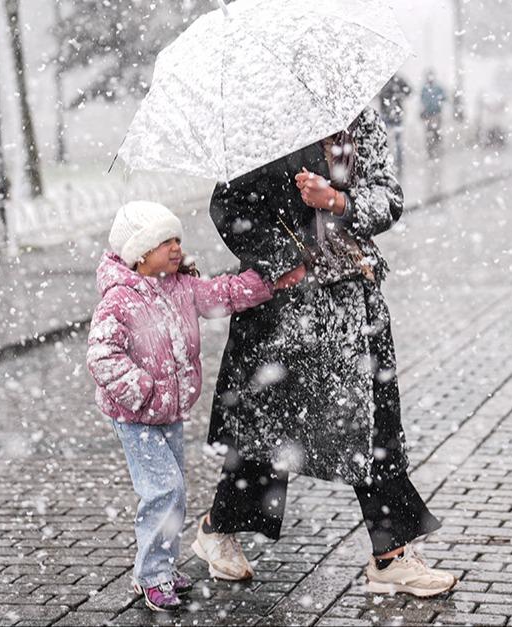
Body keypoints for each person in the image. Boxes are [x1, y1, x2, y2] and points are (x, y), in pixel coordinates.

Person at [192, 107, 458, 597]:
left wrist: (337, 200)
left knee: (375, 425)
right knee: (269, 427)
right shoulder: (265, 124)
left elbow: (388, 197)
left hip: (354, 297)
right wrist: (282, 261)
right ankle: (218, 528)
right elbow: (228, 208)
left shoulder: (363, 124)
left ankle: (392, 555)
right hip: (287, 308)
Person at [86, 201, 275, 612]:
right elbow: (102, 354)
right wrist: (143, 390)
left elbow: (222, 294)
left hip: (168, 414)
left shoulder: (180, 288)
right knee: (164, 490)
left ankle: (158, 568)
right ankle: (153, 574)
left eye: (177, 239)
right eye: (163, 241)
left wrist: (268, 281)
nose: (175, 247)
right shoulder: (120, 300)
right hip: (137, 417)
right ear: (139, 252)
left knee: (173, 491)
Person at [378, 73, 411, 178]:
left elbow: (409, 91)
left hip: (395, 116)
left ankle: (397, 161)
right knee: (386, 140)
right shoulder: (384, 81)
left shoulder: (397, 80)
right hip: (388, 115)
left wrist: (400, 94)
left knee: (395, 141)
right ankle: (388, 161)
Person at [419, 71, 446, 159]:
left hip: (436, 114)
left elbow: (444, 97)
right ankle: (430, 151)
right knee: (428, 133)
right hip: (428, 114)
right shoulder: (424, 89)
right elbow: (422, 101)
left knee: (436, 132)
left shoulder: (438, 88)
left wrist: (438, 103)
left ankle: (437, 150)